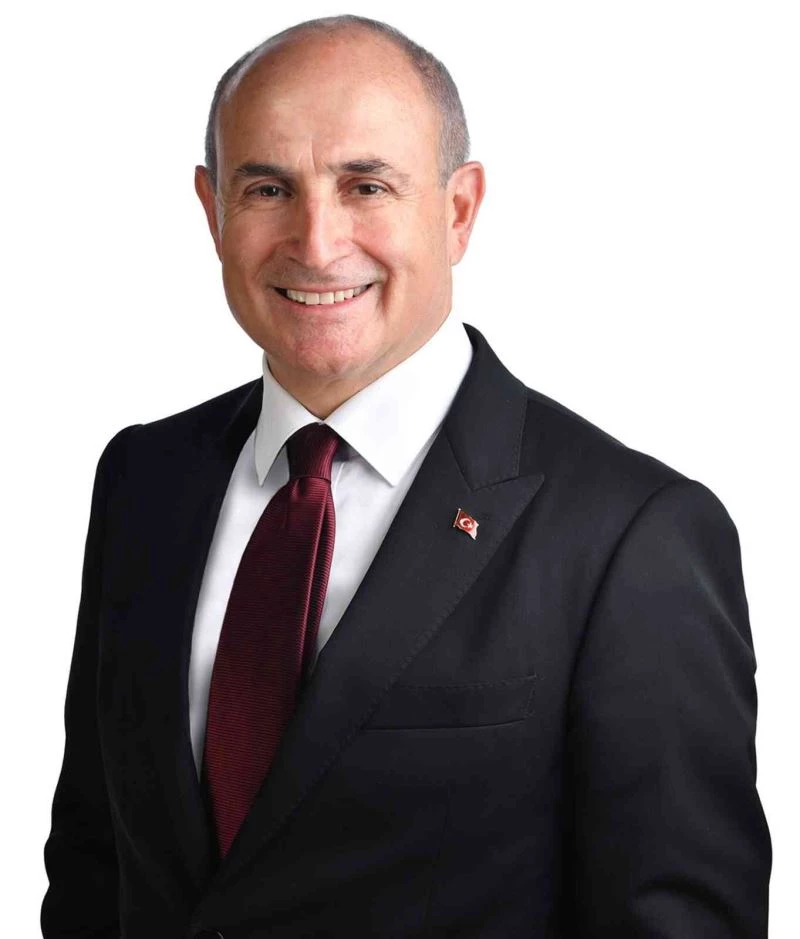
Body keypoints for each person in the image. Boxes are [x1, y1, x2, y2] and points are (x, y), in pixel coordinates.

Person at [41, 14, 771, 938]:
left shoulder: (630, 534)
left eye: (367, 186)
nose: (316, 241)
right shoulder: (145, 480)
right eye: (268, 188)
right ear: (212, 209)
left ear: (459, 210)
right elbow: (93, 869)